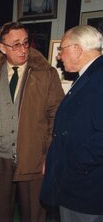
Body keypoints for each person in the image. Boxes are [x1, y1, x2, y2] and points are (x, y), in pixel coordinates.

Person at [0, 21, 64, 222]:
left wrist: (50, 155)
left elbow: (57, 117)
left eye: (26, 43)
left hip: (33, 158)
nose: (23, 50)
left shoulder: (46, 74)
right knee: (1, 214)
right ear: (2, 48)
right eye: (16, 44)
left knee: (34, 215)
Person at [40, 25, 103, 221]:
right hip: (78, 182)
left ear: (78, 49)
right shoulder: (89, 75)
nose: (59, 56)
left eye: (62, 49)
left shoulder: (99, 78)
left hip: (86, 185)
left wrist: (73, 163)